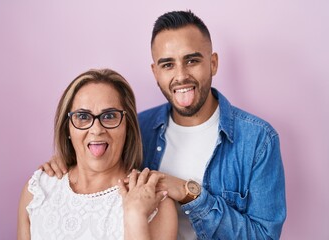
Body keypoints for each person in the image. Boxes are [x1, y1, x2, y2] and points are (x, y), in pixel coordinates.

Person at [42, 10, 286, 239]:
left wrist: (189, 192)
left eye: (191, 61)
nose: (180, 76)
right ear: (155, 72)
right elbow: (98, 167)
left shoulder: (258, 140)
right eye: (168, 64)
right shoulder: (138, 127)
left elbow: (264, 235)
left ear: (213, 63)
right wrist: (67, 160)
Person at [17, 68, 178, 240]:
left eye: (109, 116)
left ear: (128, 127)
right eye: (83, 116)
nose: (96, 129)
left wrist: (135, 216)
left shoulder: (156, 201)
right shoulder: (38, 191)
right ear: (68, 127)